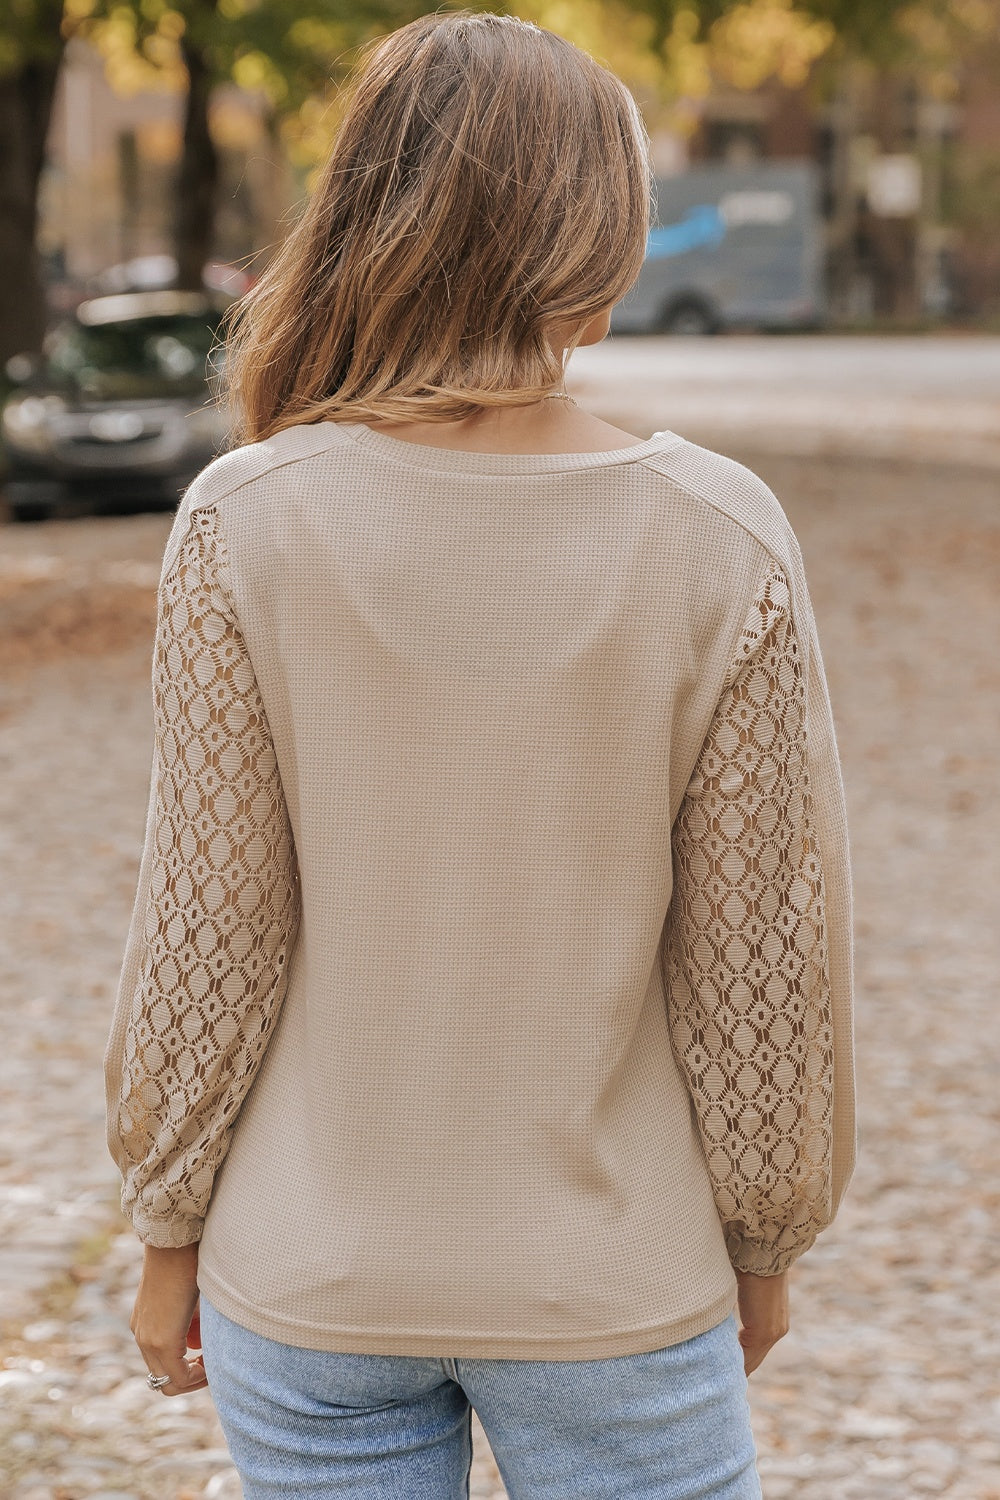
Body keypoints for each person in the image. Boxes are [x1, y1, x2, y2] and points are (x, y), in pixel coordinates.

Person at [104, 12, 855, 1498]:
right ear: (595, 230)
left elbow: (206, 928)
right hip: (611, 1278)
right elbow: (762, 953)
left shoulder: (245, 517)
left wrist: (167, 1227)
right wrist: (765, 1238)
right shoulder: (719, 534)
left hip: (310, 1273)